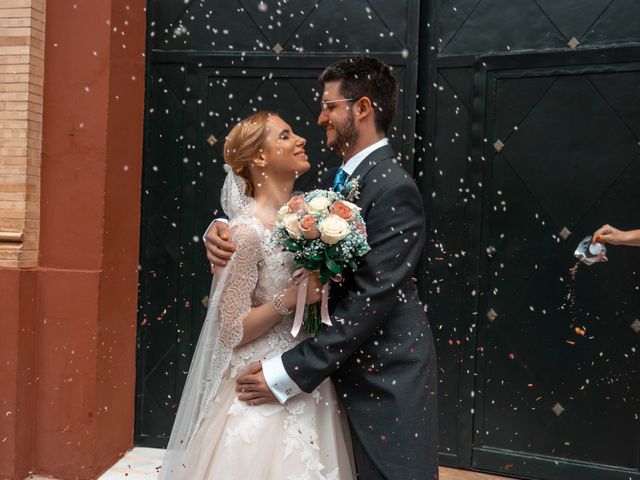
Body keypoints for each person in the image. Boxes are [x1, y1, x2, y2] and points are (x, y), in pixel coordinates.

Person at [205, 57, 439, 480]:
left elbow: (370, 299)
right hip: (333, 377)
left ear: (361, 108)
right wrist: (221, 229)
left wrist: (286, 371)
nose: (320, 118)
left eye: (330, 106)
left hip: (382, 379)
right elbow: (264, 225)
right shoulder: (338, 183)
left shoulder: (391, 186)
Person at [159, 111, 356, 480]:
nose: (300, 139)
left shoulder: (312, 215)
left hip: (305, 373)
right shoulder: (243, 234)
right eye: (285, 136)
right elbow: (231, 331)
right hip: (258, 383)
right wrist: (291, 299)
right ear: (259, 159)